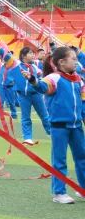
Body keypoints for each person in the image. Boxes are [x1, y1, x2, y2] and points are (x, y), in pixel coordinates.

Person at [28, 46, 85, 204]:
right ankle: (59, 193)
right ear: (61, 62)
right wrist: (33, 81)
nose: (76, 61)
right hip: (59, 126)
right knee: (59, 160)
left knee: (82, 157)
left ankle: (82, 189)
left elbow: (83, 102)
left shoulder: (78, 80)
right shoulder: (54, 78)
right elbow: (43, 87)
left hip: (76, 126)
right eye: (73, 59)